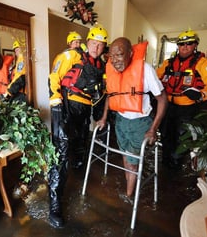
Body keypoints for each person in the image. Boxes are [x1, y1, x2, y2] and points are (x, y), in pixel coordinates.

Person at [47, 25, 108, 228]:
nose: (96, 48)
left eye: (101, 45)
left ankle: (78, 181)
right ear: (87, 42)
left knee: (80, 148)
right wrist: (55, 102)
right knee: (61, 153)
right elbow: (54, 76)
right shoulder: (70, 56)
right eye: (93, 43)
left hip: (84, 111)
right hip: (65, 106)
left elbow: (102, 92)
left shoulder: (101, 66)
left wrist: (101, 115)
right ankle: (54, 204)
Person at [96, 37, 168, 201]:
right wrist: (104, 117)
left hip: (140, 124)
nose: (114, 61)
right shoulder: (112, 70)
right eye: (111, 57)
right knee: (125, 156)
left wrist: (153, 129)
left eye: (119, 55)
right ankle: (130, 183)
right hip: (120, 121)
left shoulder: (145, 70)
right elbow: (111, 95)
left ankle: (129, 196)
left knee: (133, 162)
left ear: (130, 53)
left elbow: (162, 99)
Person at [156, 29, 207, 169]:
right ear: (177, 46)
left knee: (182, 138)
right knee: (165, 134)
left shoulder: (202, 63)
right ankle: (165, 162)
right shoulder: (168, 63)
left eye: (189, 43)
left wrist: (201, 94)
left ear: (195, 45)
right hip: (167, 106)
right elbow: (154, 77)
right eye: (181, 44)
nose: (185, 47)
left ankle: (177, 165)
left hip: (187, 108)